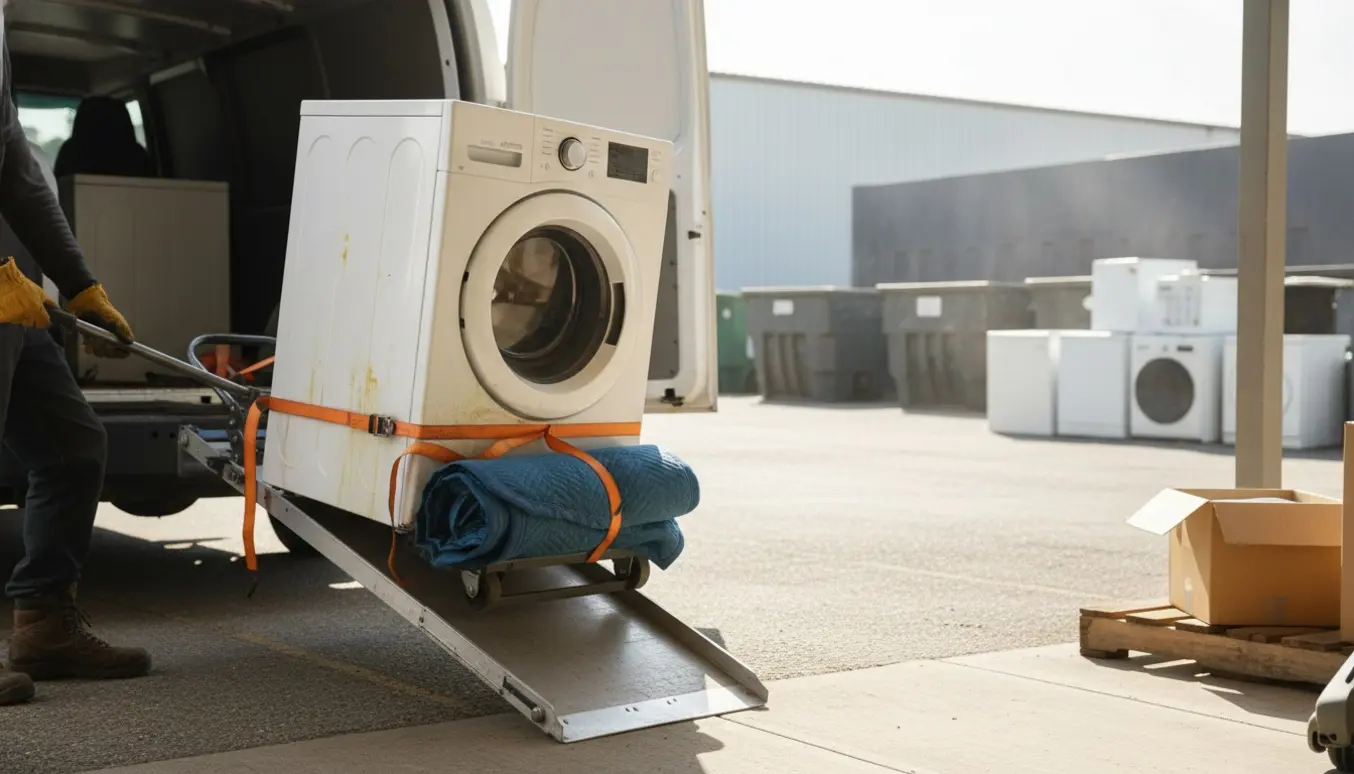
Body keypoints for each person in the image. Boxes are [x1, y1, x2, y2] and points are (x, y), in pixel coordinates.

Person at [0, 25, 150, 706]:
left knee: (71, 447)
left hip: (12, 288)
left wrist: (78, 282)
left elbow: (16, 165)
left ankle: (43, 623)